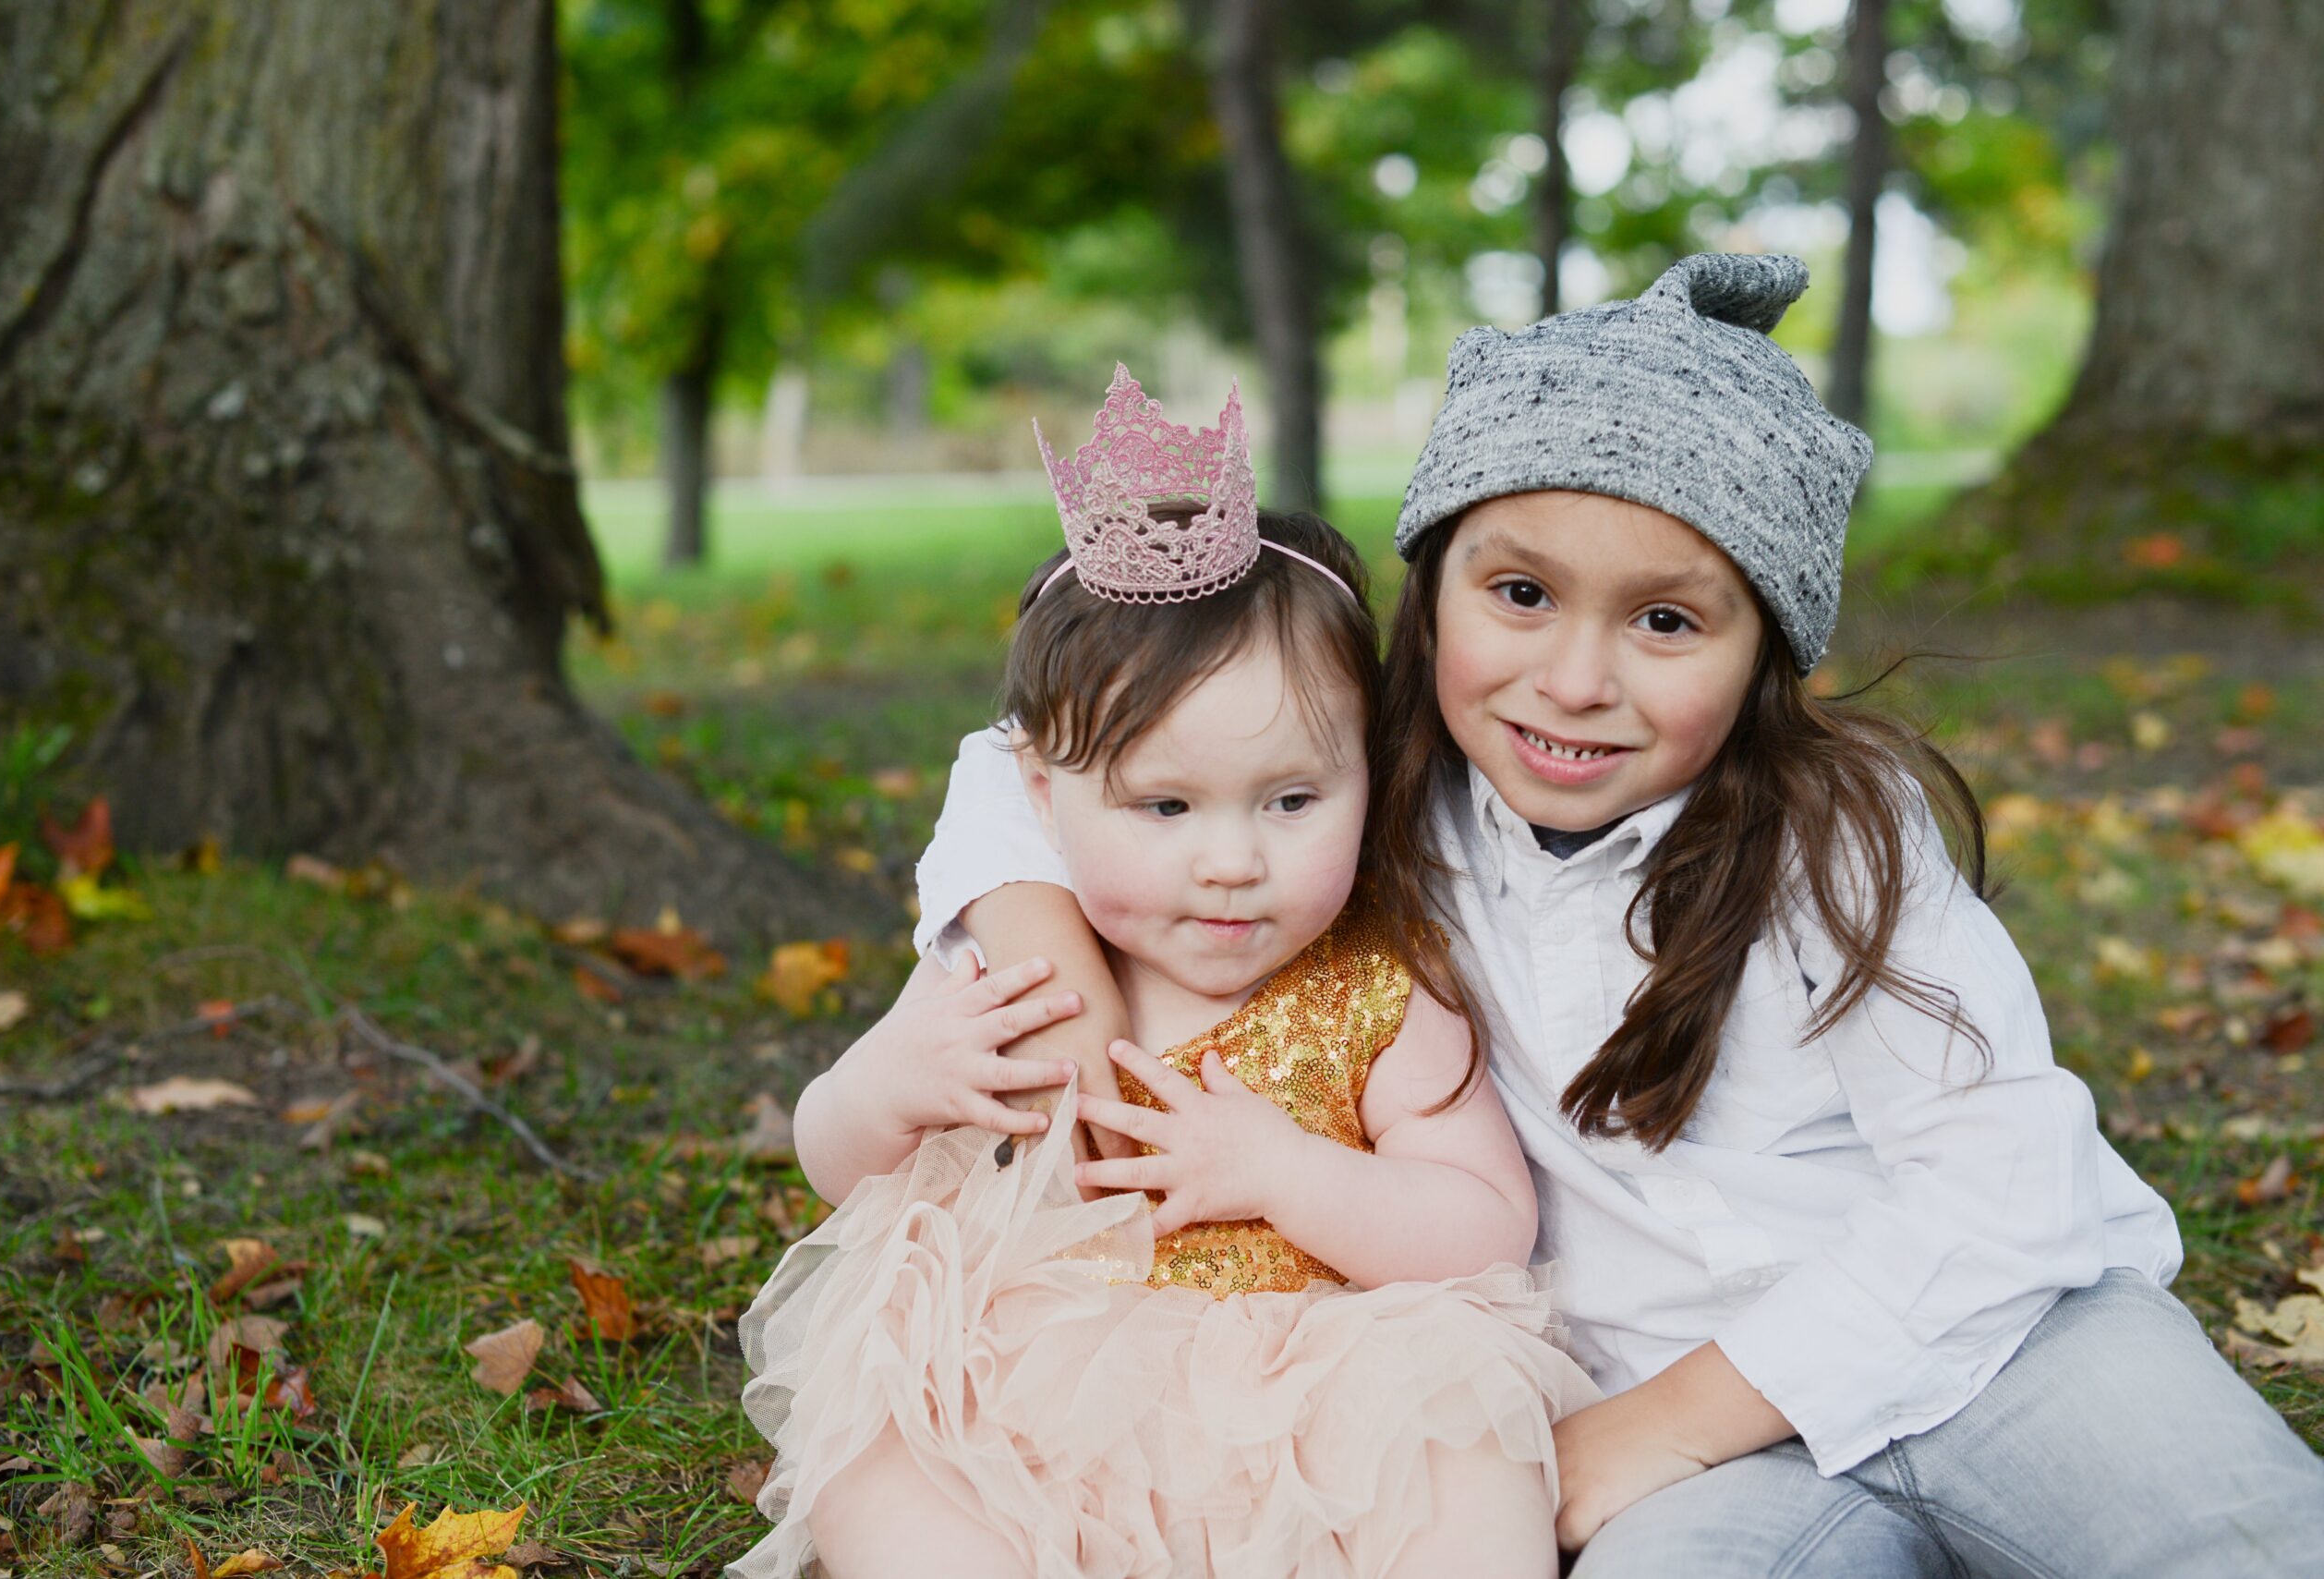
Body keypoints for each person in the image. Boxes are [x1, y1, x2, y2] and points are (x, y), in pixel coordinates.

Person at [910, 255, 2324, 1575]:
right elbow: (1023, 757)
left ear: (1765, 642)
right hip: (1694, 1443)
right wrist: (1047, 963)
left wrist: (1656, 1428)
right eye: (1520, 593)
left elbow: (2006, 1182)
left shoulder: (1837, 835)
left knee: (2250, 1543)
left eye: (1666, 622)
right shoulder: (1361, 799)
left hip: (2010, 1345)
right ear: (1435, 588)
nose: (1575, 680)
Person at [731, 368, 1601, 1579]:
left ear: (1372, 774)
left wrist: (1288, 1170)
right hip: (1038, 1382)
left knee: (1465, 1456)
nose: (1232, 861)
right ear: (1042, 794)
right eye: (1165, 804)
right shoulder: (1013, 976)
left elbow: (1487, 1225)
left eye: (1294, 799)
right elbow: (841, 1165)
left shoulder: (1384, 988)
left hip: (1326, 1382)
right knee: (892, 1445)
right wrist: (887, 1081)